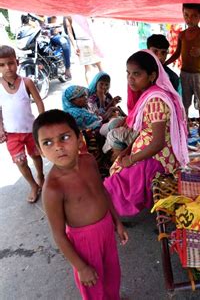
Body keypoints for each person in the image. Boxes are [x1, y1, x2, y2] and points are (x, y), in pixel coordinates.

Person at [32, 109, 128, 299]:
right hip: (84, 243)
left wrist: (117, 221)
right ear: (39, 150)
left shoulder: (89, 160)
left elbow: (102, 192)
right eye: (48, 143)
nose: (58, 146)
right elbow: (59, 235)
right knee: (93, 283)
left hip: (106, 229)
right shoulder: (53, 189)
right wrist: (81, 267)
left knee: (112, 274)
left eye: (64, 137)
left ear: (79, 138)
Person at [104, 50, 189, 216]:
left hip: (158, 157)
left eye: (137, 74)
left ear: (152, 76)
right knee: (117, 168)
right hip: (149, 149)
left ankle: (112, 214)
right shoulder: (150, 94)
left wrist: (132, 159)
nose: (130, 78)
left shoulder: (155, 100)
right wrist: (128, 151)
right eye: (128, 73)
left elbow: (158, 143)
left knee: (118, 182)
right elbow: (146, 131)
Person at [0, 45, 45, 203]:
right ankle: (33, 185)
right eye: (2, 65)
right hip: (11, 133)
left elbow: (39, 102)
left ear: (17, 62)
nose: (7, 68)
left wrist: (42, 122)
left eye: (11, 63)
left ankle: (40, 175)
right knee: (20, 161)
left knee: (36, 155)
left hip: (30, 129)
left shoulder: (27, 82)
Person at [165, 3, 200, 133]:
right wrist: (164, 64)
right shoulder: (181, 35)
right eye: (186, 15)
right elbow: (176, 54)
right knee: (184, 102)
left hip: (198, 75)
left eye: (194, 16)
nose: (189, 19)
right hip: (184, 74)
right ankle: (185, 124)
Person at [64, 15, 103, 84]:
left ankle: (91, 90)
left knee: (88, 69)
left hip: (82, 42)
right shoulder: (83, 9)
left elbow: (69, 32)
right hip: (90, 39)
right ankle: (105, 88)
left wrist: (75, 46)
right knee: (99, 65)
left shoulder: (68, 15)